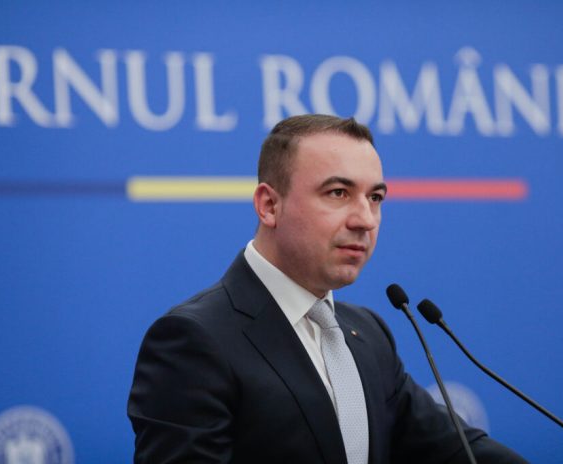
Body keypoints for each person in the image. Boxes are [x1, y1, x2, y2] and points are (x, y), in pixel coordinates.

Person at [128, 114, 528, 463]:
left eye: (375, 197)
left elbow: (453, 450)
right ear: (269, 206)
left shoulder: (368, 334)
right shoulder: (195, 339)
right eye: (338, 193)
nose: (365, 219)